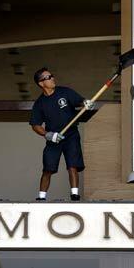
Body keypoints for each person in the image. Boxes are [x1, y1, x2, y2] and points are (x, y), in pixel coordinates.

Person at [30, 67, 94, 201]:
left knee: (72, 165)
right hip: (54, 139)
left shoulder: (64, 92)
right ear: (41, 83)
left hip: (71, 135)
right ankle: (41, 197)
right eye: (48, 77)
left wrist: (85, 103)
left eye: (52, 75)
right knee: (48, 168)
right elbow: (35, 125)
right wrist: (49, 135)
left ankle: (75, 195)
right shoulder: (39, 104)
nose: (52, 78)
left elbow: (80, 101)